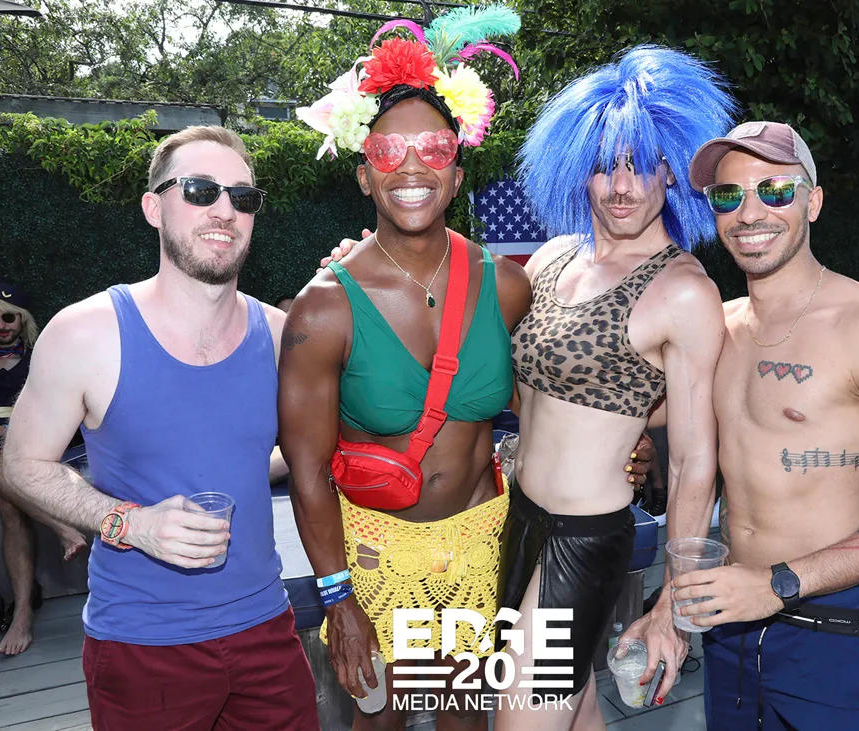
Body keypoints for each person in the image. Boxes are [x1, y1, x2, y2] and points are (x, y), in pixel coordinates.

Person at [625, 120, 859, 730]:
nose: (750, 212)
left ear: (813, 201)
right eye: (728, 196)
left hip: (840, 626)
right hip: (730, 620)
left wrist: (779, 583)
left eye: (775, 190)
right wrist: (670, 597)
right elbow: (627, 419)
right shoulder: (717, 329)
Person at [1, 126, 320, 730]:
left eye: (242, 197)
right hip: (141, 643)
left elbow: (284, 452)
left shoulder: (283, 337)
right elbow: (23, 462)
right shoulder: (85, 332)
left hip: (267, 629)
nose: (224, 210)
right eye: (199, 190)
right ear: (154, 207)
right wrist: (131, 524)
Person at [285, 11, 530, 731]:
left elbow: (542, 403)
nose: (413, 166)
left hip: (483, 546)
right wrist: (338, 599)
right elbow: (307, 471)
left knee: (466, 717)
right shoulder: (323, 310)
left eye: (434, 147)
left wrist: (624, 449)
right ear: (364, 174)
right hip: (373, 557)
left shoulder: (507, 286)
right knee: (379, 722)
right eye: (389, 150)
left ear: (457, 172)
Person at [496, 45, 736, 730]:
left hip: (584, 541)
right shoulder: (551, 258)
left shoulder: (683, 291)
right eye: (605, 164)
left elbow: (694, 461)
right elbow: (521, 389)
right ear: (579, 167)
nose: (622, 185)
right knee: (573, 707)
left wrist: (675, 602)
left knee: (520, 714)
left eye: (641, 162)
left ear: (671, 167)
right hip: (518, 520)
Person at [0, 280, 86, 656]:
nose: (0, 326)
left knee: (8, 501)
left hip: (32, 449)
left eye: (8, 317)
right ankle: (62, 528)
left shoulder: (41, 357)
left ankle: (23, 610)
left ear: (22, 319)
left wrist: (10, 434)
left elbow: (65, 410)